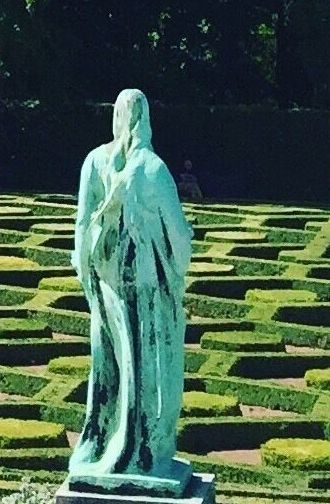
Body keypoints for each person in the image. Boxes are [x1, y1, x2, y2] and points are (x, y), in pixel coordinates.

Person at [69, 89, 202, 498]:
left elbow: (80, 227)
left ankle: (104, 440)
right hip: (144, 284)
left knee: (108, 363)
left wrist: (86, 273)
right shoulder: (153, 168)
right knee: (145, 367)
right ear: (145, 119)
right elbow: (179, 237)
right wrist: (181, 260)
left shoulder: (95, 160)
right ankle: (139, 450)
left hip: (107, 282)